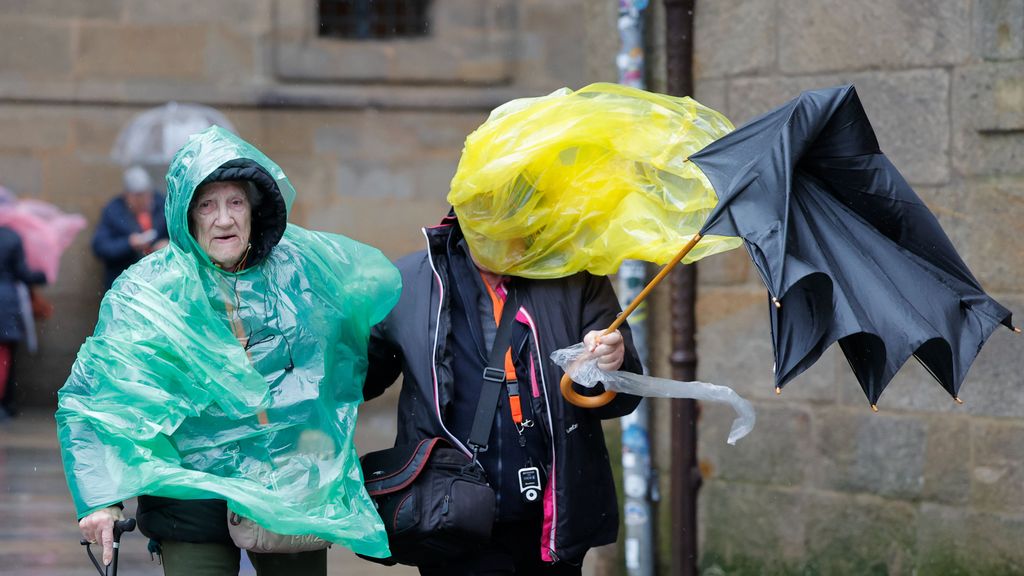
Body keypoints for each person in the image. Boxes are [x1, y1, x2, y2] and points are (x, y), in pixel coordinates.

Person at [59, 127, 399, 575]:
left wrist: (326, 432)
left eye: (235, 202)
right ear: (187, 215)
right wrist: (101, 499)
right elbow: (98, 398)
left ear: (254, 209)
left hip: (289, 493)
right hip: (191, 502)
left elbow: (352, 351)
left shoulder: (300, 271)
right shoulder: (148, 293)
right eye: (207, 204)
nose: (224, 219)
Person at [364, 210, 643, 575]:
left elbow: (621, 398)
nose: (502, 241)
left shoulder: (576, 278)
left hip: (552, 518)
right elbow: (360, 379)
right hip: (447, 514)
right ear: (462, 216)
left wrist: (612, 362)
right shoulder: (408, 282)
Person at [92, 165, 169, 289]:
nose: (142, 201)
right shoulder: (113, 211)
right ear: (126, 195)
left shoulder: (164, 206)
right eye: (136, 197)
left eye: (145, 195)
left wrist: (169, 245)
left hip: (160, 280)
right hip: (125, 281)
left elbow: (183, 236)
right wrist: (128, 244)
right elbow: (100, 247)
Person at [0, 225, 46, 420]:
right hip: (6, 303)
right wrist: (41, 276)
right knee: (5, 357)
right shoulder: (11, 236)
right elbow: (22, 272)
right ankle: (5, 404)